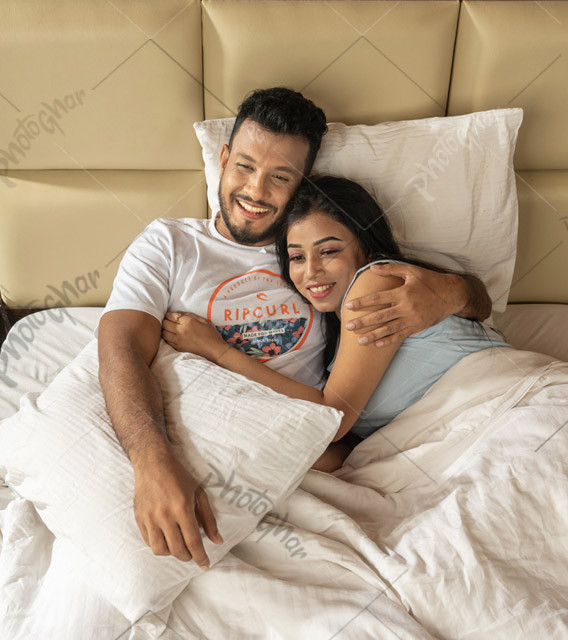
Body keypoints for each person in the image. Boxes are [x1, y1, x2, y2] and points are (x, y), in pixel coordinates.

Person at [97, 88, 491, 571]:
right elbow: (120, 349)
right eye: (243, 166)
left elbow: (339, 410)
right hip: (220, 457)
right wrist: (151, 464)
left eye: (280, 177)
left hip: (321, 454)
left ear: (303, 183)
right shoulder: (170, 244)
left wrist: (456, 291)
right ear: (222, 160)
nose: (256, 191)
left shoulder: (317, 242)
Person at [163, 175, 511, 471]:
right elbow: (342, 441)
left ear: (367, 249)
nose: (311, 271)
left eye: (328, 251)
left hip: (505, 410)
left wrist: (217, 352)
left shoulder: (375, 283)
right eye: (297, 257)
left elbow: (333, 416)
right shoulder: (335, 346)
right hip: (463, 438)